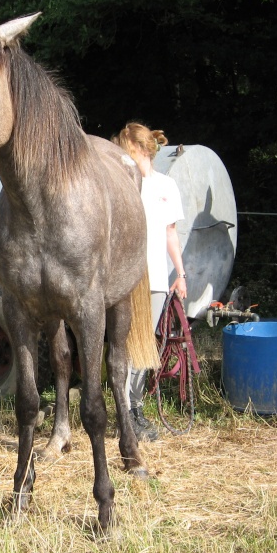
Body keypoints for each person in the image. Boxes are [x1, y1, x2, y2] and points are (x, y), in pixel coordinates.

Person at [112, 122, 187, 442]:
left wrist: (180, 274)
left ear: (140, 150)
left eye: (125, 149)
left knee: (145, 348)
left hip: (155, 278)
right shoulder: (120, 185)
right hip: (127, 278)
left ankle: (135, 408)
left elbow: (171, 233)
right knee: (124, 346)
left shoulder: (166, 186)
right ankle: (124, 412)